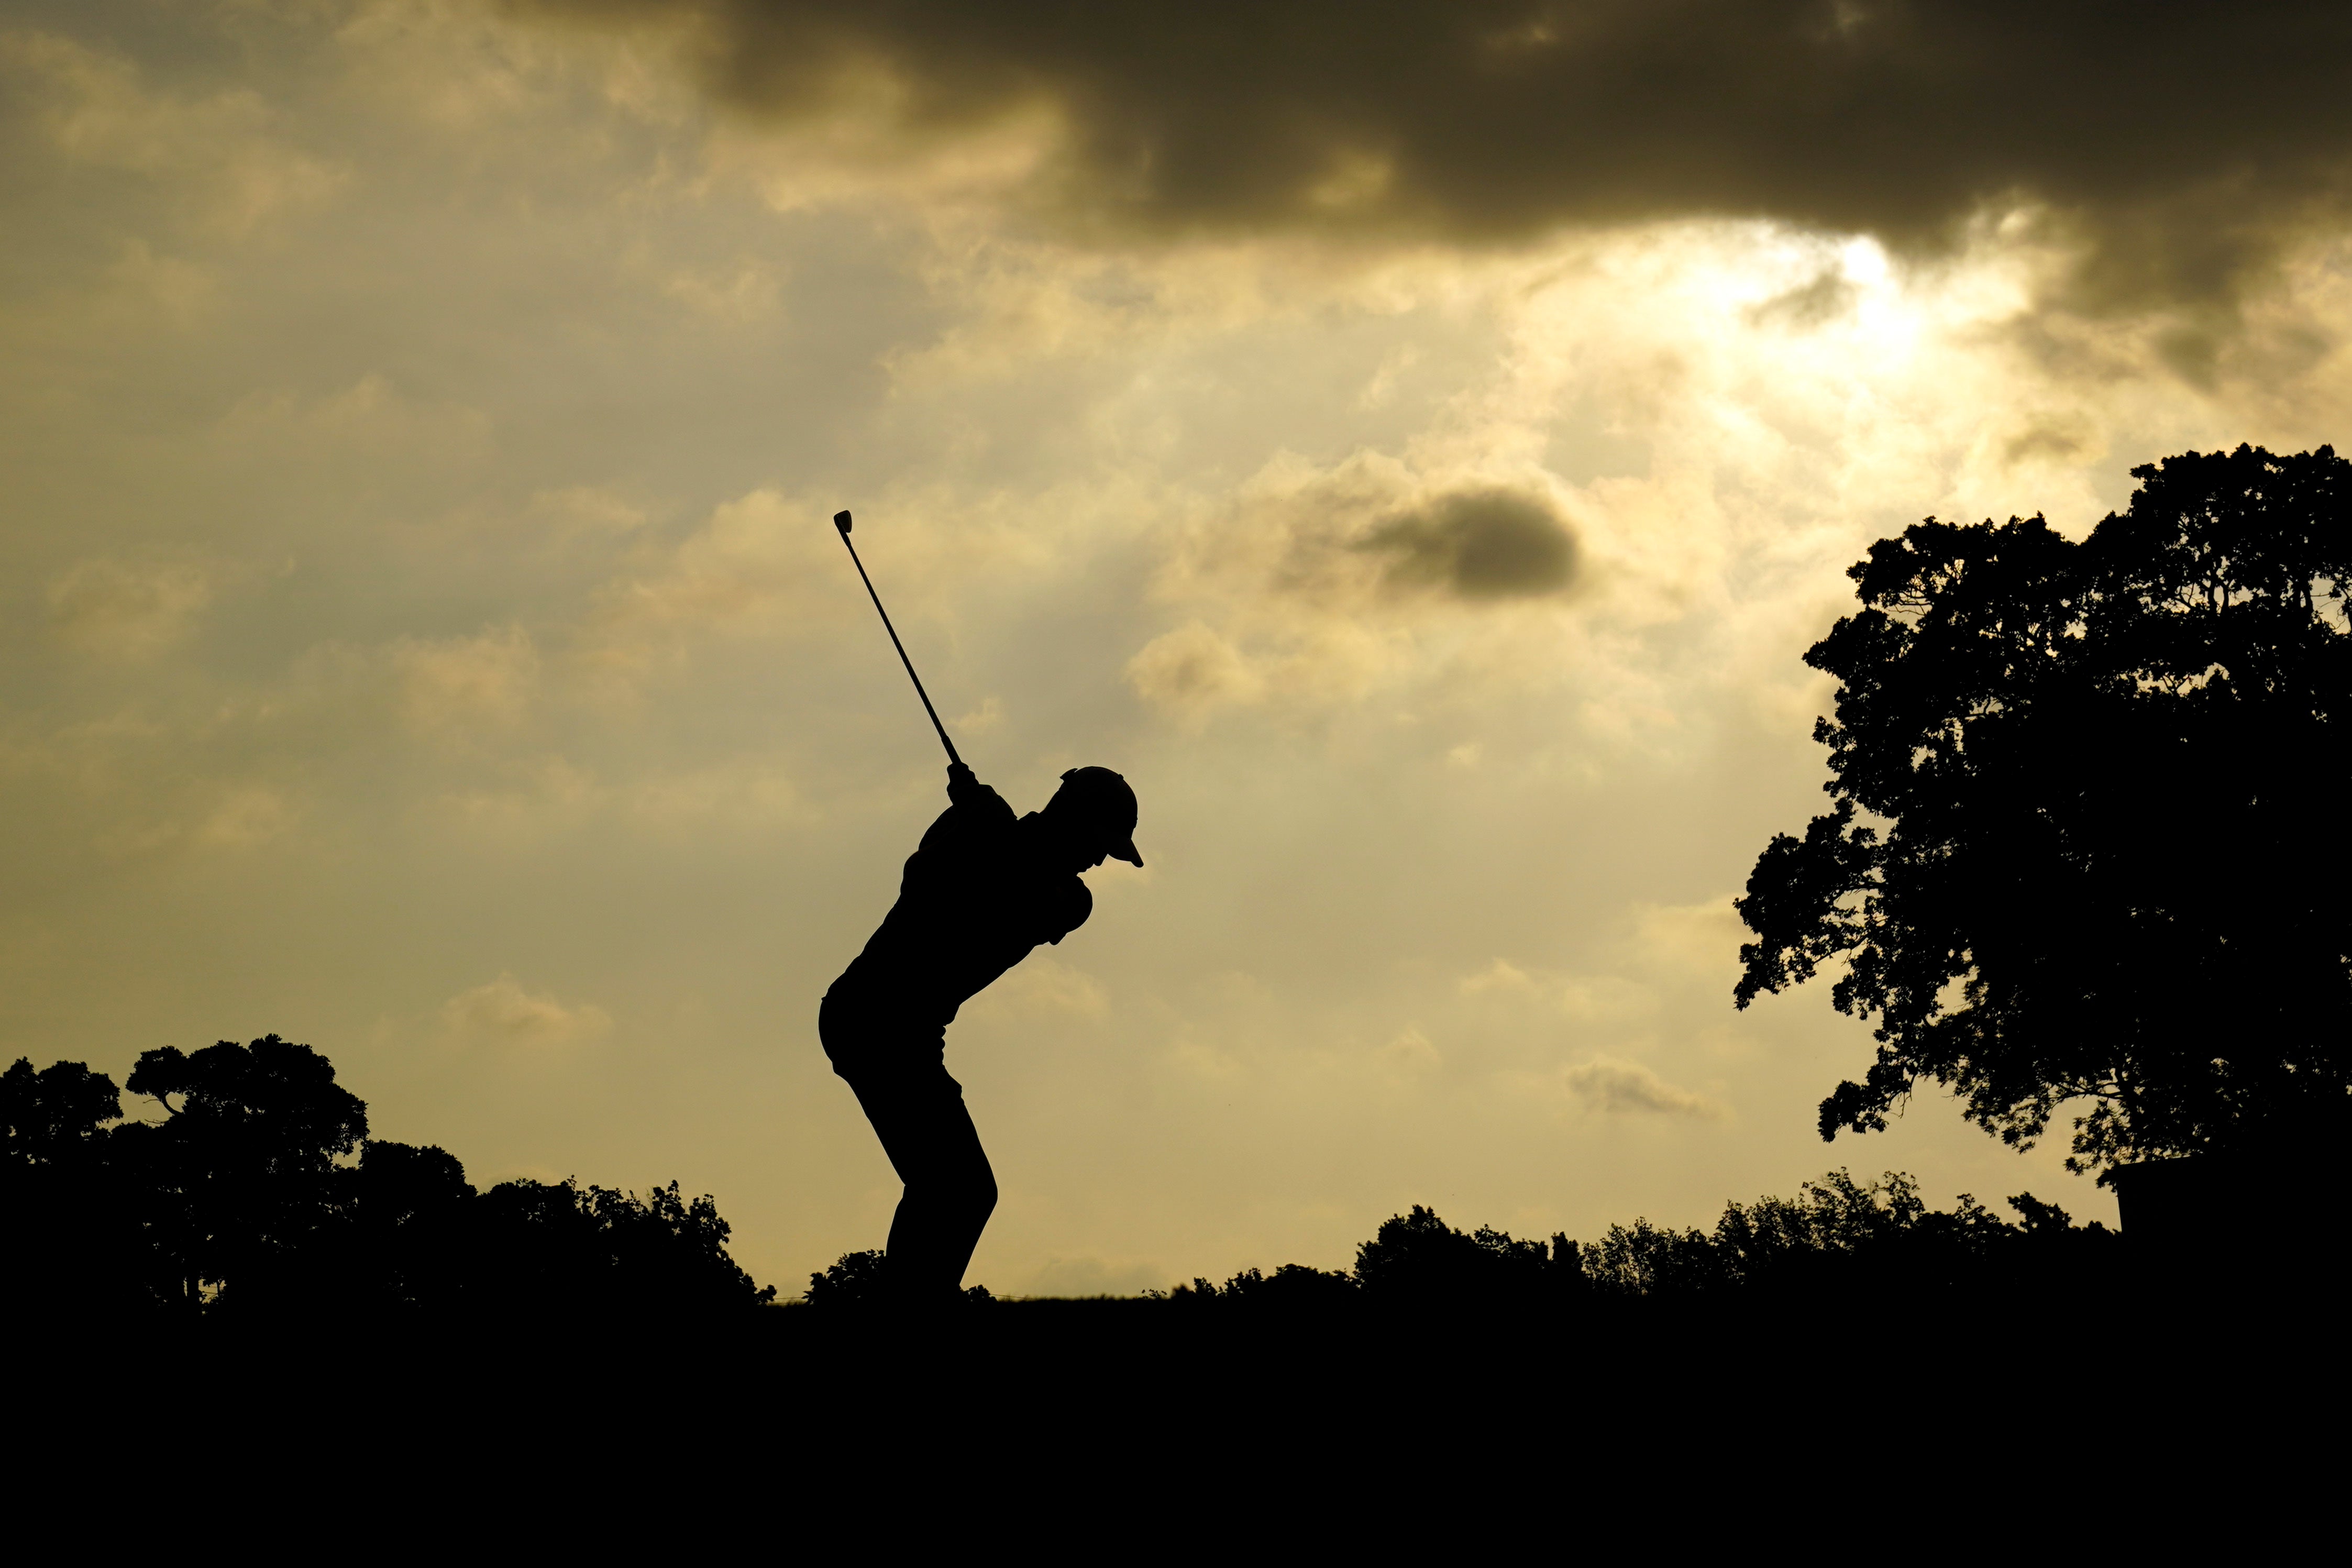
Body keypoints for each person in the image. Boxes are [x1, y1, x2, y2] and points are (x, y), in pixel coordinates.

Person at [820, 761, 1142, 1304]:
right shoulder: (977, 836)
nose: (1098, 860)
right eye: (1099, 843)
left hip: (908, 1034)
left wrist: (988, 824)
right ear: (1071, 818)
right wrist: (974, 819)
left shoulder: (1071, 898)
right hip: (869, 1017)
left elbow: (1028, 892)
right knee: (958, 1189)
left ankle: (908, 1305)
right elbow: (922, 880)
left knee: (957, 1189)